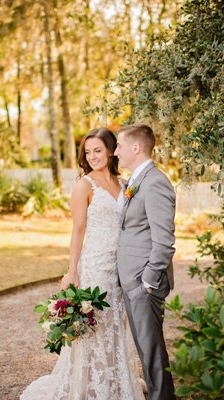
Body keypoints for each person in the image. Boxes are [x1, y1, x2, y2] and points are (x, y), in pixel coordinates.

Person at [20, 127, 145, 400]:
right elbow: (77, 231)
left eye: (97, 150)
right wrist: (72, 271)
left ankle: (116, 382)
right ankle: (88, 386)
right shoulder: (84, 186)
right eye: (87, 152)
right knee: (96, 325)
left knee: (117, 322)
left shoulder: (125, 183)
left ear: (111, 150)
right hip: (96, 265)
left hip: (121, 267)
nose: (92, 157)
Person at [114, 124, 177, 400]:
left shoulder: (155, 182)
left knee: (152, 350)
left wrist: (148, 281)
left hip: (144, 281)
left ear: (136, 147)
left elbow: (164, 240)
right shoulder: (136, 180)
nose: (115, 152)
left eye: (119, 146)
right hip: (133, 279)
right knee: (145, 348)